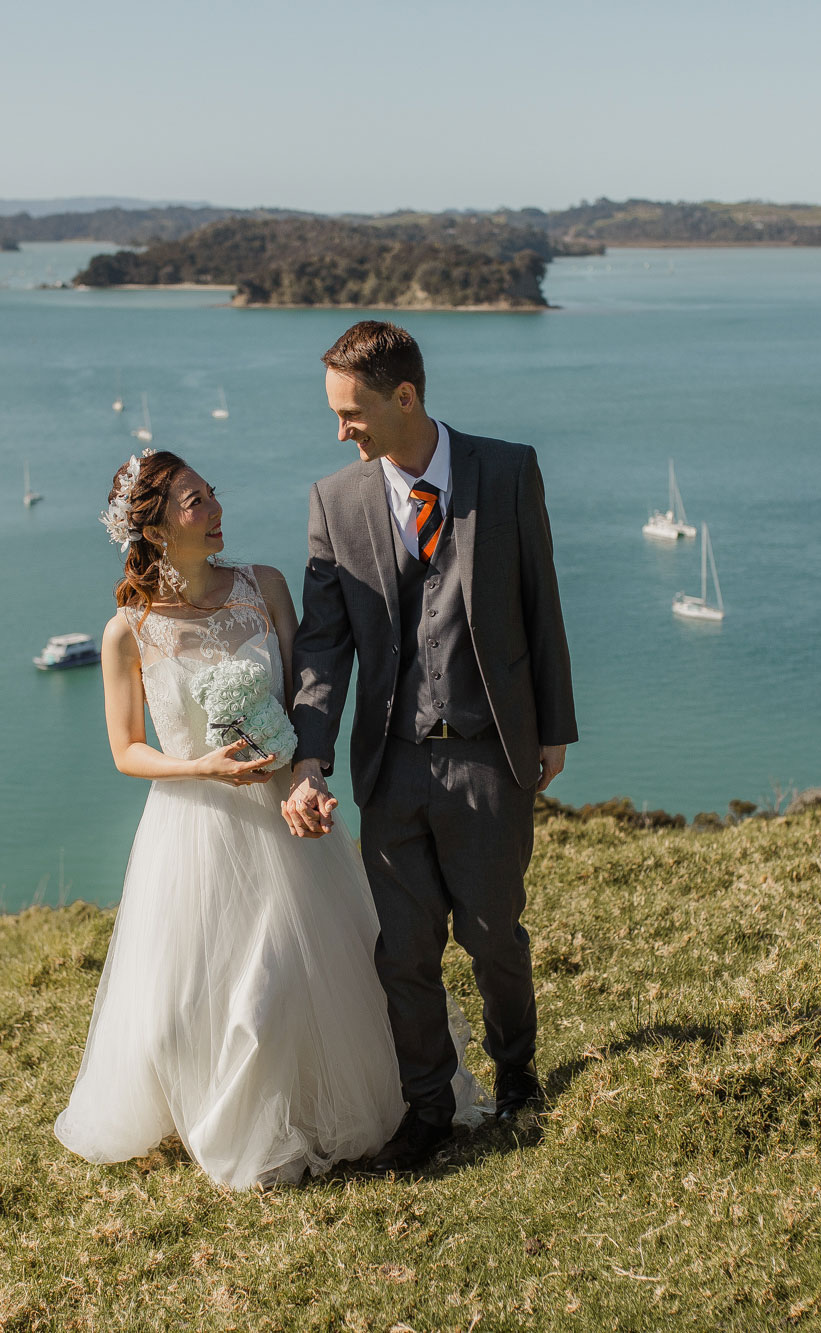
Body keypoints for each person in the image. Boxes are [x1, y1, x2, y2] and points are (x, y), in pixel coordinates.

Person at [54, 449, 481, 1189]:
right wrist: (201, 768)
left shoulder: (266, 587)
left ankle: (317, 1117)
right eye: (194, 502)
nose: (214, 508)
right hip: (194, 824)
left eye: (211, 494)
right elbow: (127, 750)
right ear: (154, 529)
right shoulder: (130, 630)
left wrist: (306, 775)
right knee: (181, 1005)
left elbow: (308, 694)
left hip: (286, 816)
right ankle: (217, 1115)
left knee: (289, 980)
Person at [283, 321, 578, 1174]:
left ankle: (519, 1079)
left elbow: (540, 603)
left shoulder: (508, 468)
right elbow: (323, 648)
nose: (342, 430)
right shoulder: (335, 501)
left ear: (404, 396)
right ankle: (428, 1107)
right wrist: (313, 755)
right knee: (403, 950)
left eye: (352, 413)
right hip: (393, 762)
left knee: (494, 935)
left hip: (490, 752)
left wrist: (554, 726)